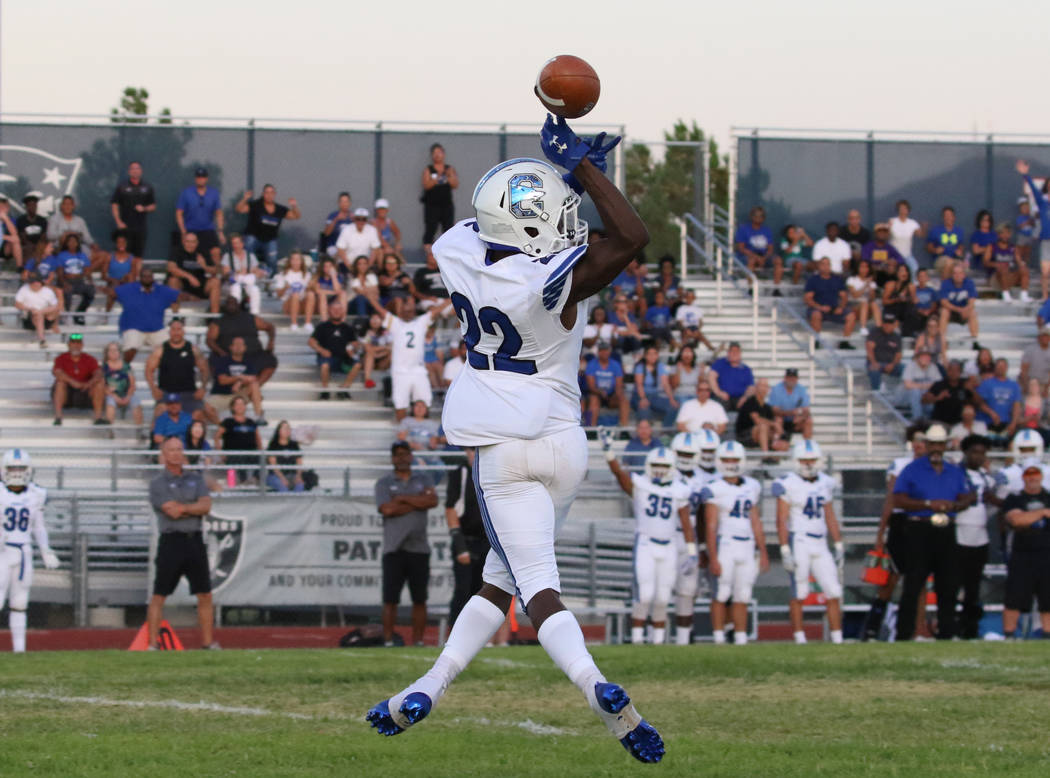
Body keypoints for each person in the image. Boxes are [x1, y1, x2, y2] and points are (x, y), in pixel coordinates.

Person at [367, 122, 666, 762]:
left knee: (535, 587)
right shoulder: (550, 282)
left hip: (502, 448)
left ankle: (599, 690)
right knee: (502, 581)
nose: (567, 223)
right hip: (564, 443)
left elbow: (505, 224)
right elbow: (631, 237)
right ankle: (427, 685)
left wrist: (557, 183)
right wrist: (584, 171)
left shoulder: (456, 252)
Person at [603, 440, 695, 645]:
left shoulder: (680, 489)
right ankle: (637, 640)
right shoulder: (640, 485)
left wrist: (691, 551)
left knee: (663, 598)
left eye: (664, 466)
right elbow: (619, 475)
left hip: (669, 544)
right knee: (644, 595)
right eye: (656, 465)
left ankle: (657, 642)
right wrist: (609, 453)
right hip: (646, 543)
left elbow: (686, 523)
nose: (660, 470)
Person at [892, 423, 975, 641]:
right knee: (914, 582)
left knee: (948, 583)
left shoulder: (954, 471)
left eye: (940, 444)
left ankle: (946, 631)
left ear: (945, 445)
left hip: (946, 528)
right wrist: (929, 503)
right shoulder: (912, 469)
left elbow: (965, 496)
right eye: (933, 444)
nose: (937, 448)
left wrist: (956, 505)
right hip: (920, 528)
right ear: (927, 445)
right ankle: (904, 632)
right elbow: (898, 499)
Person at [147, 436, 218, 650]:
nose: (176, 453)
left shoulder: (196, 478)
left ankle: (207, 643)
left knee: (204, 593)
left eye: (180, 449)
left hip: (194, 540)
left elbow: (206, 506)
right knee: (160, 595)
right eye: (172, 450)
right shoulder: (157, 483)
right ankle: (152, 644)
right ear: (164, 454)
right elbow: (170, 512)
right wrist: (191, 507)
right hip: (171, 541)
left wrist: (184, 508)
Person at [864, 423, 930, 641]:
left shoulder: (933, 467)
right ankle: (872, 629)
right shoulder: (900, 465)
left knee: (920, 581)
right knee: (890, 579)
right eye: (917, 440)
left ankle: (917, 629)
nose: (920, 444)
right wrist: (881, 532)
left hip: (924, 522)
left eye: (924, 440)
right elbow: (891, 500)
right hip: (902, 523)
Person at [774, 440, 844, 644]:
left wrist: (838, 543)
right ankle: (799, 638)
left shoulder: (826, 482)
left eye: (812, 460)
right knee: (800, 591)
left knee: (833, 590)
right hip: (800, 540)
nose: (808, 464)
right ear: (796, 461)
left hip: (821, 542)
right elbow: (781, 519)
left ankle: (837, 637)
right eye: (804, 460)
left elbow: (830, 515)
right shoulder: (788, 483)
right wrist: (785, 548)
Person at [702, 441, 768, 645]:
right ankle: (719, 637)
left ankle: (740, 637)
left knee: (743, 593)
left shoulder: (752, 486)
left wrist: (763, 551)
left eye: (734, 459)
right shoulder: (714, 488)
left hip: (747, 545)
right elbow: (710, 526)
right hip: (726, 544)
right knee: (721, 592)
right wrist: (713, 556)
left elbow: (755, 520)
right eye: (726, 459)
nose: (730, 463)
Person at [374, 441, 437, 646]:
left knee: (420, 598)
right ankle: (388, 640)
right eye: (397, 455)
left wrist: (401, 498)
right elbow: (387, 510)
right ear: (392, 458)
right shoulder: (383, 483)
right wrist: (416, 501)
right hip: (394, 548)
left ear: (411, 456)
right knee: (390, 598)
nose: (401, 458)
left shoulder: (423, 478)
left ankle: (418, 641)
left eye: (405, 454)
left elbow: (432, 501)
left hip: (419, 548)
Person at [0, 450, 59, 652]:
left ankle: (19, 650)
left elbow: (38, 526)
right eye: (12, 468)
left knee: (20, 601)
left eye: (20, 468)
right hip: (2, 551)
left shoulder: (37, 494)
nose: (16, 472)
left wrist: (45, 550)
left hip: (24, 551)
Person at [668, 429, 720, 644]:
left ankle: (683, 639)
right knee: (659, 589)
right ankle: (653, 638)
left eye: (690, 454)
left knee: (688, 591)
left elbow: (702, 515)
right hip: (668, 536)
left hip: (690, 539)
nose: (686, 459)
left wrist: (700, 547)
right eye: (682, 453)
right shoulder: (666, 473)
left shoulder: (704, 479)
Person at [1000, 461, 1050, 639]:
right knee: (1014, 597)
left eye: (1035, 474)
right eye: (1029, 475)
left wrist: (1028, 517)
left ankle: (1047, 636)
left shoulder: (1048, 496)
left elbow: (1023, 518)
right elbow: (1016, 520)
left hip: (1046, 555)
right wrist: (1043, 512)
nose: (1032, 478)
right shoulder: (1015, 498)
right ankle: (1009, 635)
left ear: (1041, 476)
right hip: (1022, 554)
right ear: (1023, 477)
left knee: (1047, 598)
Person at [954, 435, 997, 640]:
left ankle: (970, 629)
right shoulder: (956, 474)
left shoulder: (987, 478)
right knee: (953, 583)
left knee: (973, 585)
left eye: (982, 453)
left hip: (981, 535)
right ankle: (949, 626)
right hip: (959, 532)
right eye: (974, 452)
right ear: (966, 453)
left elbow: (992, 503)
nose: (978, 456)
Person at [145, 318, 217, 424]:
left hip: (189, 393)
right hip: (167, 393)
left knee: (205, 412)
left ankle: (220, 433)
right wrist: (153, 389)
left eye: (179, 329)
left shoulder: (193, 349)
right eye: (173, 329)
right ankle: (154, 439)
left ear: (183, 331)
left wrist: (203, 388)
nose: (176, 332)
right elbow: (148, 370)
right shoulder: (160, 349)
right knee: (160, 411)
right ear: (169, 332)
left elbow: (205, 369)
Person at [205, 295, 279, 390]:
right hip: (228, 355)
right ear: (225, 306)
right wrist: (220, 352)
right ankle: (223, 389)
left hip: (253, 354)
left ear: (238, 305)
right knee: (213, 360)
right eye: (229, 303)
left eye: (233, 303)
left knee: (270, 360)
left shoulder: (251, 318)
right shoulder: (218, 322)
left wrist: (271, 342)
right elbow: (209, 340)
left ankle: (255, 387)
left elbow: (270, 327)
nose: (231, 305)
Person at [114, 267, 180, 363]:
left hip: (156, 329)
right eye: (144, 276)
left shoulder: (161, 290)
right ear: (140, 278)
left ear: (153, 277)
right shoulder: (130, 288)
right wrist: (107, 310)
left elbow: (178, 296)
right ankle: (124, 368)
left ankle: (168, 372)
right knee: (131, 347)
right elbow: (112, 293)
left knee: (170, 349)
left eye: (149, 276)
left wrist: (176, 312)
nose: (147, 278)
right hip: (134, 328)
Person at [235, 184, 301, 274]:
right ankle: (246, 273)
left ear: (274, 194)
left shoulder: (280, 209)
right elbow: (239, 209)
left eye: (271, 193)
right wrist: (245, 199)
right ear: (263, 194)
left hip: (269, 240)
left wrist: (294, 206)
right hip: (254, 237)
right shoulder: (255, 205)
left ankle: (271, 279)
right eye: (267, 193)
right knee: (249, 243)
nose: (269, 195)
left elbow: (296, 216)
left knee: (272, 259)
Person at [307, 300, 362, 399]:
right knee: (324, 365)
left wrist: (352, 348)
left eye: (339, 309)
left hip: (344, 359)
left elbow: (355, 343)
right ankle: (325, 391)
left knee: (357, 364)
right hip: (327, 358)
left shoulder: (348, 328)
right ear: (329, 311)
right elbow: (311, 342)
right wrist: (321, 350)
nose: (336, 311)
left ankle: (344, 389)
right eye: (334, 309)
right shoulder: (322, 326)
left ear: (343, 312)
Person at [51, 333, 105, 426]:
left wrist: (89, 383)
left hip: (84, 391)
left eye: (78, 343)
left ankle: (98, 417)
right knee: (60, 383)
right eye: (73, 343)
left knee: (99, 383)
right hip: (68, 393)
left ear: (82, 345)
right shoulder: (61, 358)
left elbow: (98, 373)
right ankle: (58, 416)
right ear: (68, 345)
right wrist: (73, 382)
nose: (76, 345)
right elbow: (57, 372)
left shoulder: (89, 359)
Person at [804, 257, 857, 349]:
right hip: (818, 309)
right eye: (823, 264)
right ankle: (815, 341)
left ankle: (844, 342)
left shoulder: (837, 279)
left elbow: (844, 296)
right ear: (819, 266)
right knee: (816, 314)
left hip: (834, 308)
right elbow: (808, 298)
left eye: (828, 264)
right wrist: (820, 307)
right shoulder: (813, 280)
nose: (825, 267)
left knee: (851, 315)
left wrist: (840, 307)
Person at [1016, 160, 1050, 300]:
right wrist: (1026, 175)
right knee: (1045, 272)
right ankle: (1044, 296)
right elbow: (1034, 190)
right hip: (1046, 241)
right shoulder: (1042, 202)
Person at [210, 336, 265, 422]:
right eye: (236, 344)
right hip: (223, 395)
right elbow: (222, 381)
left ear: (245, 348)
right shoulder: (223, 361)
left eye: (241, 344)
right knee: (207, 407)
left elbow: (253, 378)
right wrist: (240, 377)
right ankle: (223, 428)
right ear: (230, 347)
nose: (238, 347)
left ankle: (259, 416)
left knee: (254, 385)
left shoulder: (249, 362)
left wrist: (239, 382)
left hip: (240, 395)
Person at [166, 231, 222, 313]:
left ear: (197, 243)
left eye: (193, 242)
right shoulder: (176, 251)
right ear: (183, 242)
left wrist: (204, 266)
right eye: (187, 241)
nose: (190, 244)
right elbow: (171, 268)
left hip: (199, 286)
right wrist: (189, 277)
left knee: (216, 281)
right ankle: (175, 318)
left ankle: (214, 319)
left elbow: (215, 271)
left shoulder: (203, 252)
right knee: (173, 280)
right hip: (183, 286)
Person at [110, 161, 156, 257]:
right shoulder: (122, 187)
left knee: (139, 254)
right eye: (132, 169)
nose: (135, 171)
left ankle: (136, 272)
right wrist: (118, 222)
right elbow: (114, 205)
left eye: (137, 168)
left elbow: (153, 206)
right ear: (129, 171)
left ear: (141, 171)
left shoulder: (147, 187)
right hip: (125, 227)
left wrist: (144, 208)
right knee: (124, 253)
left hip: (140, 227)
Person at [175, 167, 224, 255]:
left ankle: (214, 269)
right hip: (190, 228)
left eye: (203, 177)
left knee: (216, 252)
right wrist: (183, 232)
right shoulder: (186, 193)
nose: (200, 179)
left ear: (207, 179)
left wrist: (220, 232)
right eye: (198, 177)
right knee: (189, 252)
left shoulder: (214, 193)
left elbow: (219, 213)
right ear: (195, 179)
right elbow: (179, 213)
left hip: (208, 229)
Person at [735, 378, 788, 456]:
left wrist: (777, 431)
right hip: (744, 435)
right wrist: (774, 424)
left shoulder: (766, 407)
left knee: (784, 444)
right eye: (761, 386)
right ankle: (765, 456)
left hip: (762, 436)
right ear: (756, 387)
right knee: (763, 426)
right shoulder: (750, 402)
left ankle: (775, 459)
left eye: (766, 386)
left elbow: (771, 424)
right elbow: (757, 420)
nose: (763, 389)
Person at [421, 143, 458, 256]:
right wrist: (437, 177)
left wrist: (448, 175)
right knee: (430, 229)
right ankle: (429, 255)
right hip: (432, 205)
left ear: (443, 154)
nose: (437, 156)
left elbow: (455, 184)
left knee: (448, 229)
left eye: (439, 153)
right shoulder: (429, 169)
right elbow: (426, 185)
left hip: (446, 204)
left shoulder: (449, 168)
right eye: (435, 153)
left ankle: (447, 253)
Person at [925, 360, 985, 427]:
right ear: (947, 371)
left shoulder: (965, 383)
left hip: (961, 424)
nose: (954, 373)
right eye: (951, 370)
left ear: (960, 372)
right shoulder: (939, 384)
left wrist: (971, 390)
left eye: (957, 370)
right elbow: (924, 400)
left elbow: (980, 402)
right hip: (940, 422)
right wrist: (938, 398)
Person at [216, 396, 261, 484]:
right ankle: (237, 484)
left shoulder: (251, 422)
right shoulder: (227, 422)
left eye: (242, 404)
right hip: (232, 455)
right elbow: (216, 437)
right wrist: (221, 454)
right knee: (235, 470)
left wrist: (260, 451)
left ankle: (253, 481)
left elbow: (258, 439)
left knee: (262, 460)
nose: (240, 406)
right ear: (233, 407)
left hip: (250, 454)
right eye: (237, 404)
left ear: (245, 406)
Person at [53, 233, 96, 325]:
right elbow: (59, 273)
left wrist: (91, 281)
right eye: (70, 242)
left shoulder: (82, 255)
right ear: (67, 243)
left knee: (91, 291)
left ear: (77, 243)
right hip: (66, 281)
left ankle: (79, 314)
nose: (72, 243)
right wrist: (64, 283)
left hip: (79, 281)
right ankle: (66, 316)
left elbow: (87, 271)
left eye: (74, 242)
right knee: (67, 291)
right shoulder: (62, 255)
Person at [631, 344, 677, 426]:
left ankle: (665, 431)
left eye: (655, 353)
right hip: (639, 396)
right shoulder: (640, 366)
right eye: (650, 354)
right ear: (645, 356)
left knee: (674, 407)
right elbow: (639, 384)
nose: (652, 356)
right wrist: (643, 398)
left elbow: (665, 384)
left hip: (654, 396)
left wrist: (671, 398)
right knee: (644, 410)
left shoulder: (660, 366)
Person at [977, 358, 1021, 441]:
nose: (1001, 368)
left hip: (1006, 423)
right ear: (995, 368)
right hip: (988, 422)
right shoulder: (986, 383)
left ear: (1007, 368)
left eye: (1003, 366)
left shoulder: (1014, 385)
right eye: (999, 366)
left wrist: (1014, 423)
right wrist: (991, 413)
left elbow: (1016, 406)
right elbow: (979, 403)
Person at [938, 261, 980, 347]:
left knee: (972, 312)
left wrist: (965, 310)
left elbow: (972, 301)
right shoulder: (946, 283)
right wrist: (959, 310)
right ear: (952, 275)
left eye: (960, 273)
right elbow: (944, 302)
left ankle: (975, 340)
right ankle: (941, 339)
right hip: (952, 311)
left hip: (964, 311)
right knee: (944, 311)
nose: (957, 275)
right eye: (955, 273)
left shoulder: (969, 283)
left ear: (964, 274)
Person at [221, 234, 265, 314]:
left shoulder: (250, 256)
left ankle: (254, 315)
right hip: (232, 283)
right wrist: (239, 271)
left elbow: (256, 270)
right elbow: (225, 273)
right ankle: (235, 314)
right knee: (236, 289)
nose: (235, 246)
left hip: (247, 283)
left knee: (255, 290)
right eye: (233, 243)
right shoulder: (227, 256)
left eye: (237, 243)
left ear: (242, 244)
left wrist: (257, 272)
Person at [101, 341, 143, 426]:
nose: (113, 352)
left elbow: (132, 384)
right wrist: (116, 397)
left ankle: (139, 432)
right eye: (111, 350)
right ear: (107, 353)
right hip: (112, 394)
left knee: (136, 403)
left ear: (119, 352)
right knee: (110, 404)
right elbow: (103, 386)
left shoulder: (126, 366)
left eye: (116, 350)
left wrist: (128, 397)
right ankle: (110, 431)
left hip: (126, 394)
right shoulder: (104, 367)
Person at [101, 229, 142, 313]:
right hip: (113, 284)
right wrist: (113, 280)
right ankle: (106, 316)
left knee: (129, 287)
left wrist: (125, 278)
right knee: (113, 292)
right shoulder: (109, 257)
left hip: (126, 284)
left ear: (126, 244)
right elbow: (103, 276)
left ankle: (130, 312)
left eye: (123, 242)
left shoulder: (131, 258)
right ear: (116, 244)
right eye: (119, 242)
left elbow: (134, 276)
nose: (121, 244)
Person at [15, 272, 61, 346]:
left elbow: (55, 307)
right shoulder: (24, 289)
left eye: (36, 282)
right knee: (38, 315)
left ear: (40, 283)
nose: (34, 284)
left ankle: (51, 325)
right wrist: (30, 309)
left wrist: (41, 311)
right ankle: (42, 339)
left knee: (52, 309)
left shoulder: (48, 291)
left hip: (46, 317)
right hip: (29, 318)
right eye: (32, 282)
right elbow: (17, 304)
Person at [768, 368, 813, 440]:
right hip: (781, 420)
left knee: (808, 421)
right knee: (778, 420)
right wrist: (791, 413)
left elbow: (806, 410)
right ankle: (777, 444)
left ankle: (807, 446)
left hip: (796, 421)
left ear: (797, 379)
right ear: (785, 378)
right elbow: (774, 411)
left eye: (794, 377)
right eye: (789, 377)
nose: (791, 379)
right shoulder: (776, 389)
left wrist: (801, 416)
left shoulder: (801, 389)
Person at [991, 221, 1030, 302]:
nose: (1005, 235)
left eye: (1007, 233)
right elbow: (986, 262)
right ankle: (1006, 295)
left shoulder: (1013, 248)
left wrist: (1022, 265)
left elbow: (1019, 261)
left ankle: (1024, 295)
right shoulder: (992, 247)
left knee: (1024, 269)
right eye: (1003, 233)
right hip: (996, 279)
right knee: (1003, 268)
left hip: (1010, 277)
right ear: (998, 234)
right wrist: (997, 264)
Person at [708, 342, 754, 410]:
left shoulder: (746, 369)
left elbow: (751, 387)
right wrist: (719, 393)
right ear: (728, 352)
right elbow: (711, 377)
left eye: (736, 351)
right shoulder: (720, 363)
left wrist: (745, 398)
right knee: (718, 403)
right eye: (732, 351)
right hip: (723, 397)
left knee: (750, 404)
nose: (734, 353)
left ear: (740, 353)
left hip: (740, 398)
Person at [733, 205, 775, 279]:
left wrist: (764, 258)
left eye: (761, 216)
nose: (758, 218)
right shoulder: (743, 229)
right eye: (756, 215)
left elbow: (770, 249)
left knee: (778, 261)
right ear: (751, 216)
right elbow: (741, 248)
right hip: (747, 256)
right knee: (752, 260)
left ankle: (776, 289)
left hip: (763, 255)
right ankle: (751, 288)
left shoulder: (767, 230)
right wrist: (757, 257)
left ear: (764, 218)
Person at [274, 250, 311, 330]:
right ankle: (294, 324)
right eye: (293, 259)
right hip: (288, 304)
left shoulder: (307, 275)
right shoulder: (283, 274)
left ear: (301, 261)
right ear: (289, 261)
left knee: (310, 294)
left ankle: (308, 323)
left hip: (301, 303)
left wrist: (309, 288)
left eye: (298, 259)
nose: (295, 262)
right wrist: (285, 288)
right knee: (295, 294)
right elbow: (278, 295)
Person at [865, 313, 903, 391]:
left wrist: (892, 364)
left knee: (905, 369)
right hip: (876, 362)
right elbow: (869, 349)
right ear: (882, 323)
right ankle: (876, 394)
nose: (887, 325)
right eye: (885, 323)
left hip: (891, 364)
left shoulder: (896, 336)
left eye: (890, 323)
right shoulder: (875, 332)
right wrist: (874, 362)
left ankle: (902, 393)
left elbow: (898, 355)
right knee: (874, 370)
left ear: (894, 325)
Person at [926, 206, 965, 279]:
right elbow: (928, 247)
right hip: (940, 259)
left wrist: (960, 251)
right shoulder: (936, 230)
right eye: (946, 216)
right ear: (943, 218)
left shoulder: (959, 231)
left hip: (955, 258)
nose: (948, 218)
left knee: (962, 266)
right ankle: (945, 288)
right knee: (949, 262)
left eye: (950, 215)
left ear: (954, 217)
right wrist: (935, 250)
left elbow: (961, 245)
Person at [266, 420, 305, 493]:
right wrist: (282, 478)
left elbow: (299, 463)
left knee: (300, 485)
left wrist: (298, 476)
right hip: (275, 475)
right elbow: (273, 465)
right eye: (284, 428)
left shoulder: (294, 445)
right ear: (279, 431)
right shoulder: (273, 445)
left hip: (291, 475)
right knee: (282, 486)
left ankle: (296, 504)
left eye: (288, 428)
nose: (287, 430)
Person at [902, 348, 940, 421]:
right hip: (906, 398)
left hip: (925, 395)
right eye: (924, 356)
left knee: (930, 394)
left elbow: (938, 384)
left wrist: (925, 388)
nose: (926, 358)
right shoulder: (910, 366)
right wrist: (926, 386)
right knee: (915, 392)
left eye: (928, 356)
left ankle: (929, 419)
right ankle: (918, 420)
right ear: (917, 357)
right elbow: (908, 385)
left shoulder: (933, 366)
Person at [888, 199, 924, 273]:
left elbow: (920, 235)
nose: (903, 210)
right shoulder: (892, 221)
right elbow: (886, 236)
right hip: (893, 255)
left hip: (907, 255)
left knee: (915, 268)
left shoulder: (913, 223)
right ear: (898, 210)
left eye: (905, 208)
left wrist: (924, 227)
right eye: (901, 208)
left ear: (908, 210)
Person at [846, 259, 880, 335]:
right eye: (862, 267)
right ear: (858, 268)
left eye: (866, 267)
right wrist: (865, 285)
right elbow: (855, 295)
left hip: (866, 309)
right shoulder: (851, 280)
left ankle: (879, 327)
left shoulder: (871, 282)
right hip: (854, 306)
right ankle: (863, 328)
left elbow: (872, 298)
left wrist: (870, 286)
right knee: (864, 303)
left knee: (873, 304)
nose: (864, 269)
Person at [321, 191, 354, 258]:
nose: (344, 204)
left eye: (346, 201)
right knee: (340, 254)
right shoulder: (332, 216)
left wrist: (355, 221)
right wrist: (336, 220)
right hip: (334, 247)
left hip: (349, 247)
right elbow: (326, 233)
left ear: (349, 203)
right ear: (339, 203)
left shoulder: (354, 217)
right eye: (342, 201)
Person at [16, 193, 48, 259]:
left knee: (42, 247)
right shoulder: (21, 220)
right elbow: (22, 236)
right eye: (30, 205)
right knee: (28, 248)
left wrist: (39, 245)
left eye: (34, 205)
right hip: (26, 245)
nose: (32, 207)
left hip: (40, 244)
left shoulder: (42, 220)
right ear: (26, 207)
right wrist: (30, 244)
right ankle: (26, 268)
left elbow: (44, 236)